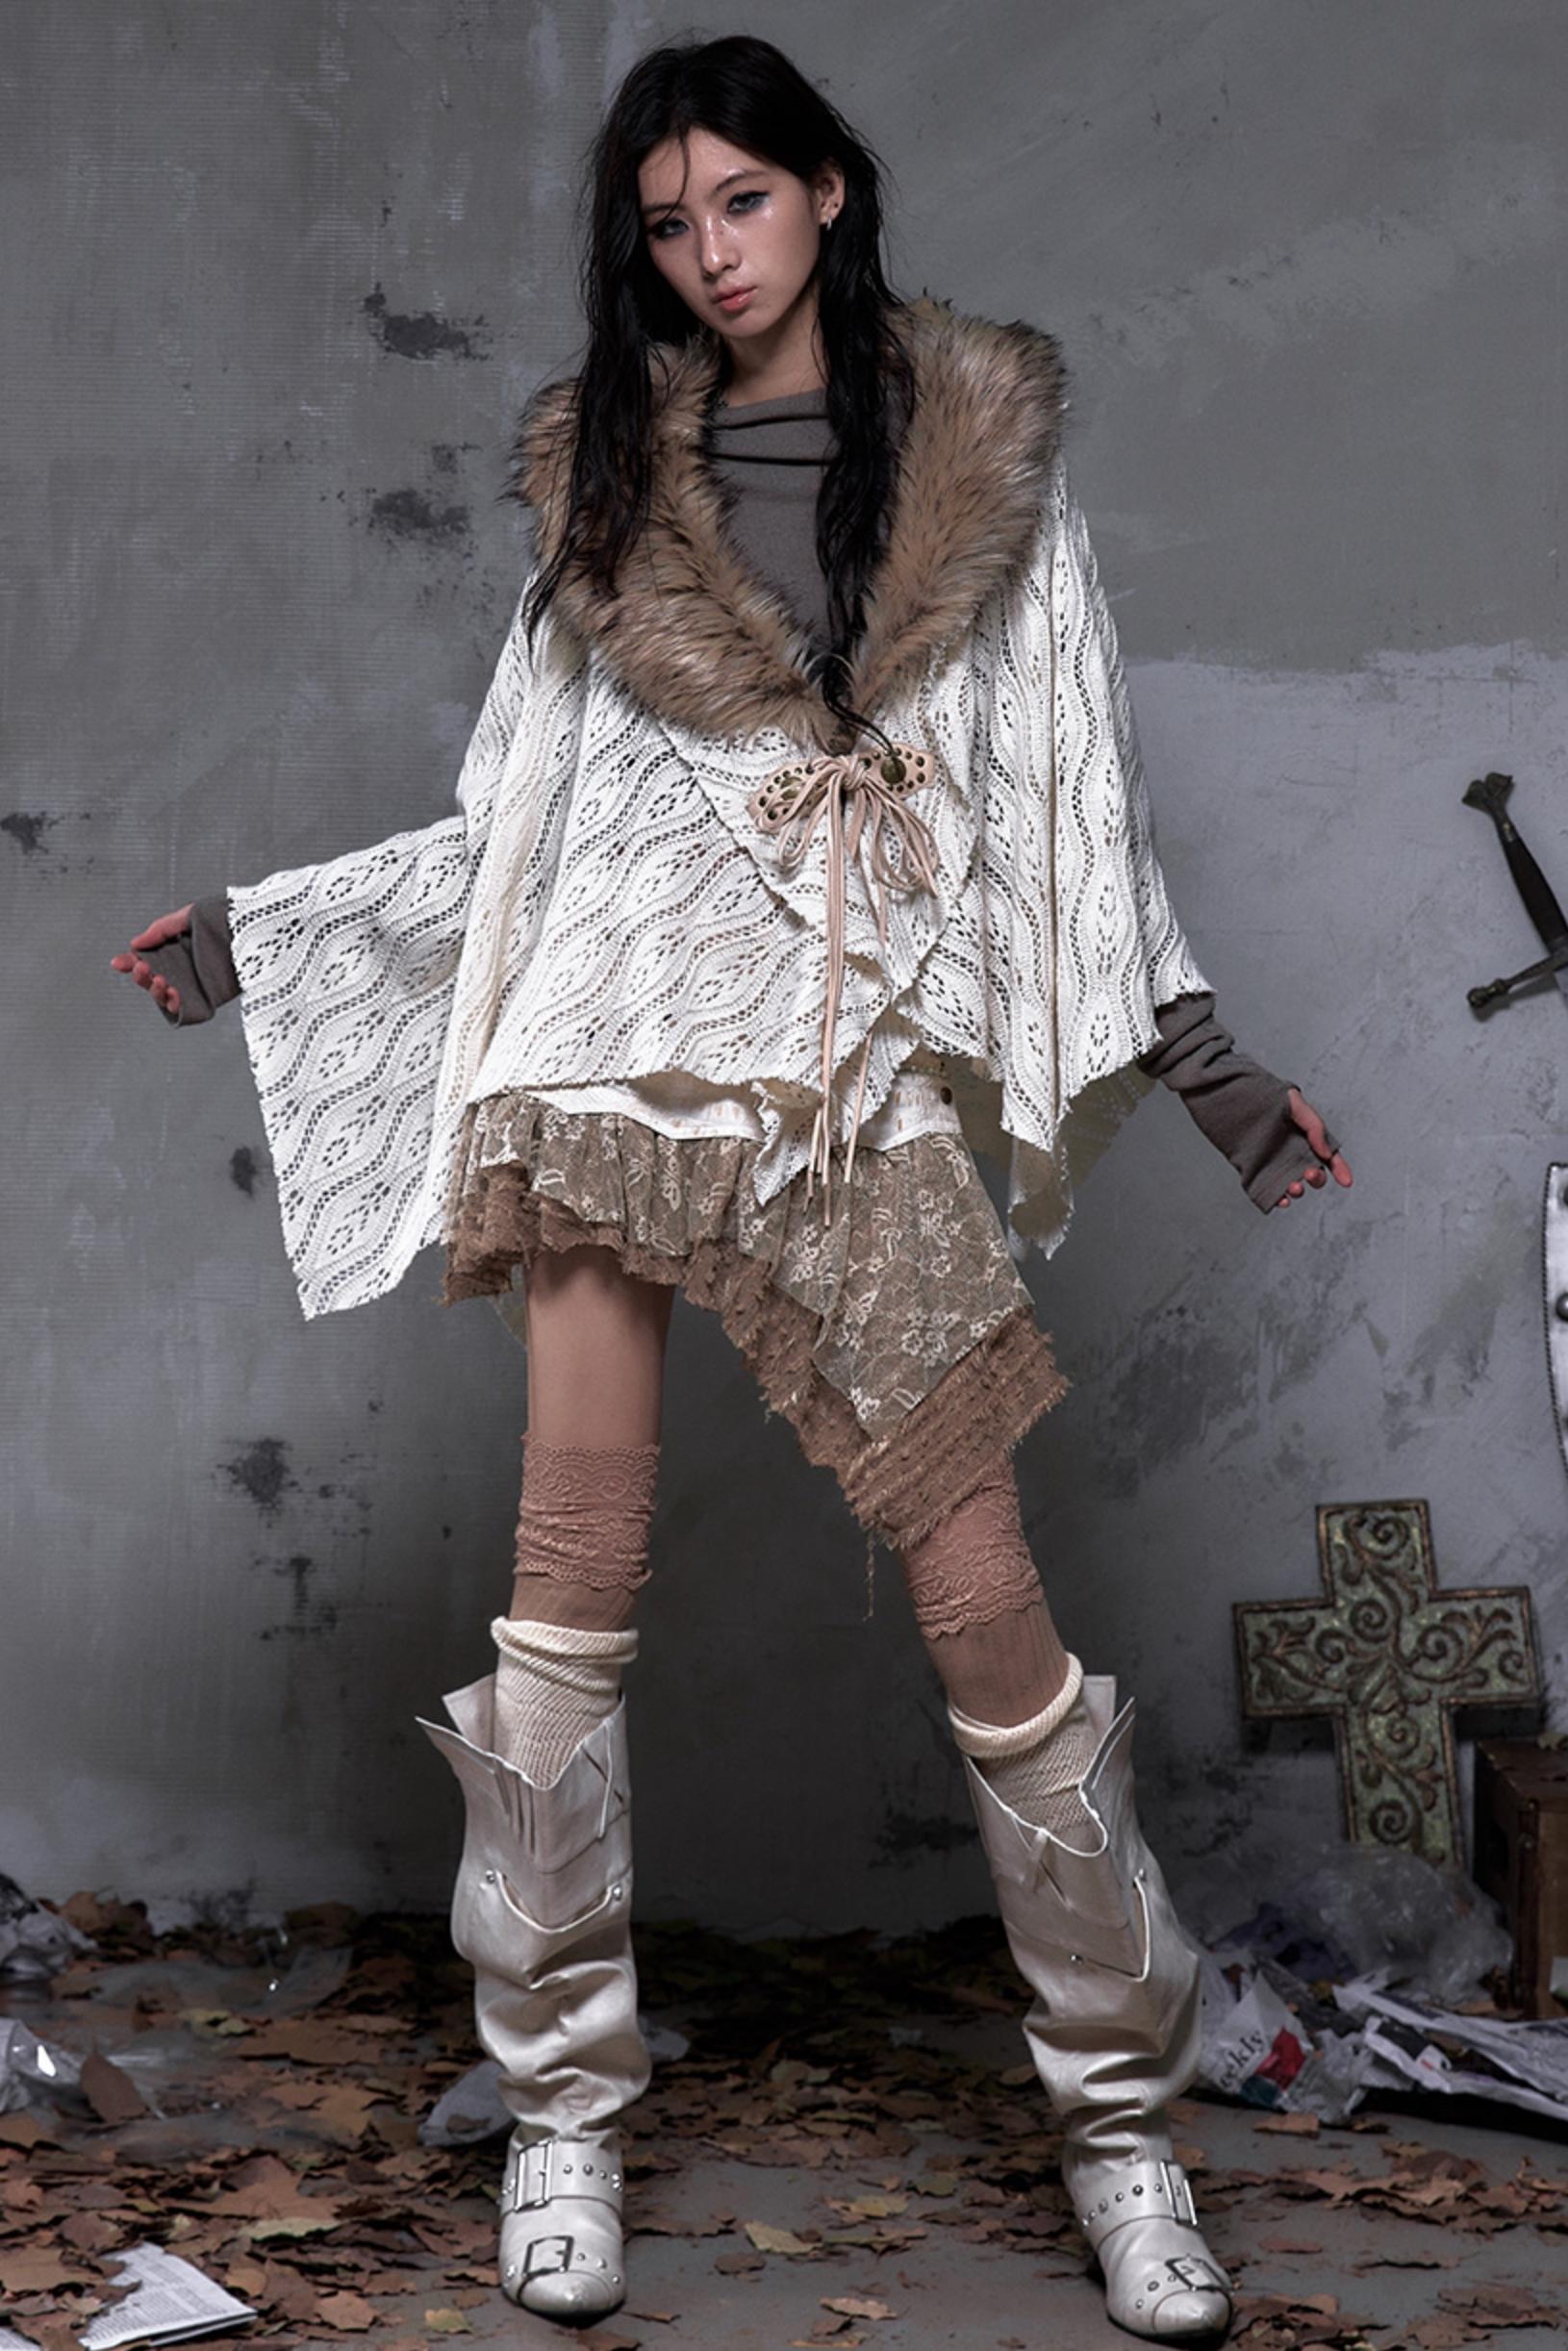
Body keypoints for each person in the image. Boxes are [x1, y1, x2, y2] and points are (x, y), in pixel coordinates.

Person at [112, 32, 1352, 2343]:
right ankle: (563, 2114)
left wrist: (1216, 1077)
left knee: (984, 1608)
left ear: (829, 192)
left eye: (740, 203)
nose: (706, 252)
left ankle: (1119, 2125)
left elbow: (1079, 812)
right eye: (667, 220)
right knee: (566, 1592)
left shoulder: (982, 473)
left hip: (847, 1074)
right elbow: (515, 828)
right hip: (605, 1048)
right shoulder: (604, 483)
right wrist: (259, 936)